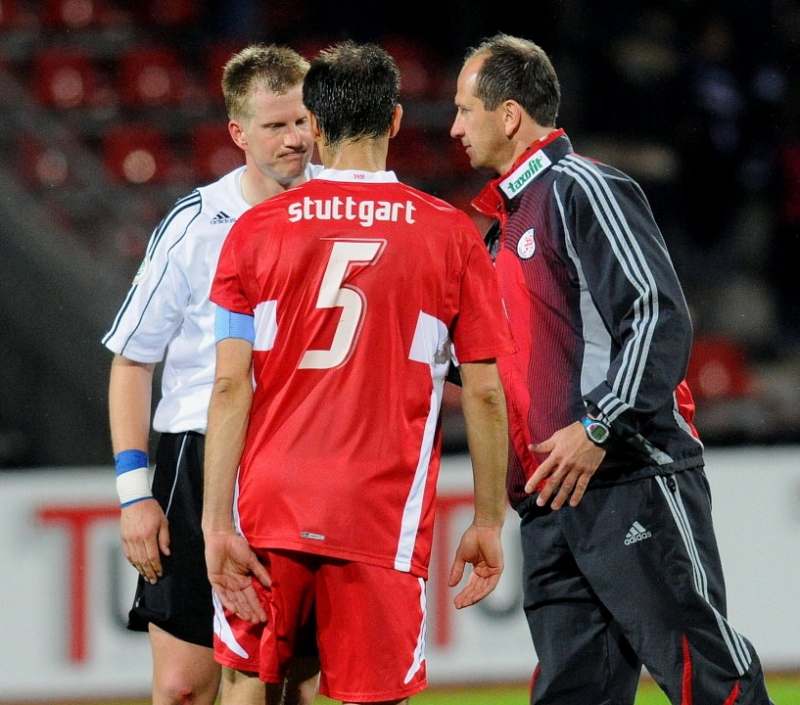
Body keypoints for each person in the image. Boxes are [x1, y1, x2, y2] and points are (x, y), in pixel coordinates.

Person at [450, 33, 775, 705]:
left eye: (464, 109)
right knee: (574, 693)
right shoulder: (498, 234)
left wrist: (596, 424)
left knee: (706, 677)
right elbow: (490, 366)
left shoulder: (581, 188)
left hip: (628, 473)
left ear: (509, 115)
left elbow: (657, 314)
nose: (453, 127)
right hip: (550, 501)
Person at [202, 40, 515, 705]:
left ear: (312, 125)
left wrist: (214, 523)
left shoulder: (255, 231)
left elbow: (231, 384)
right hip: (378, 515)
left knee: (247, 682)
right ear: (396, 120)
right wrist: (490, 519)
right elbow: (485, 392)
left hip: (269, 504)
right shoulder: (450, 234)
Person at [102, 44, 321, 705]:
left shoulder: (336, 213)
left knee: (286, 685)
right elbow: (133, 359)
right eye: (275, 125)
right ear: (237, 133)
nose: (295, 138)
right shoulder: (196, 224)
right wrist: (134, 492)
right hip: (196, 458)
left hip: (298, 459)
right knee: (182, 688)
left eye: (302, 121)